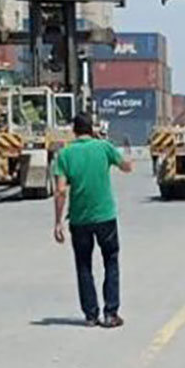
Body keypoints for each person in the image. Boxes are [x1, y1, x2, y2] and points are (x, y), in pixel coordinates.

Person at [53, 113, 133, 328]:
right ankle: (111, 313)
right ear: (92, 129)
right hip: (105, 216)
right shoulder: (104, 147)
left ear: (74, 130)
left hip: (79, 219)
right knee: (111, 261)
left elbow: (60, 191)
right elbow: (127, 167)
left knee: (83, 264)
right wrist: (126, 151)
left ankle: (90, 315)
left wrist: (58, 222)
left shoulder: (64, 154)